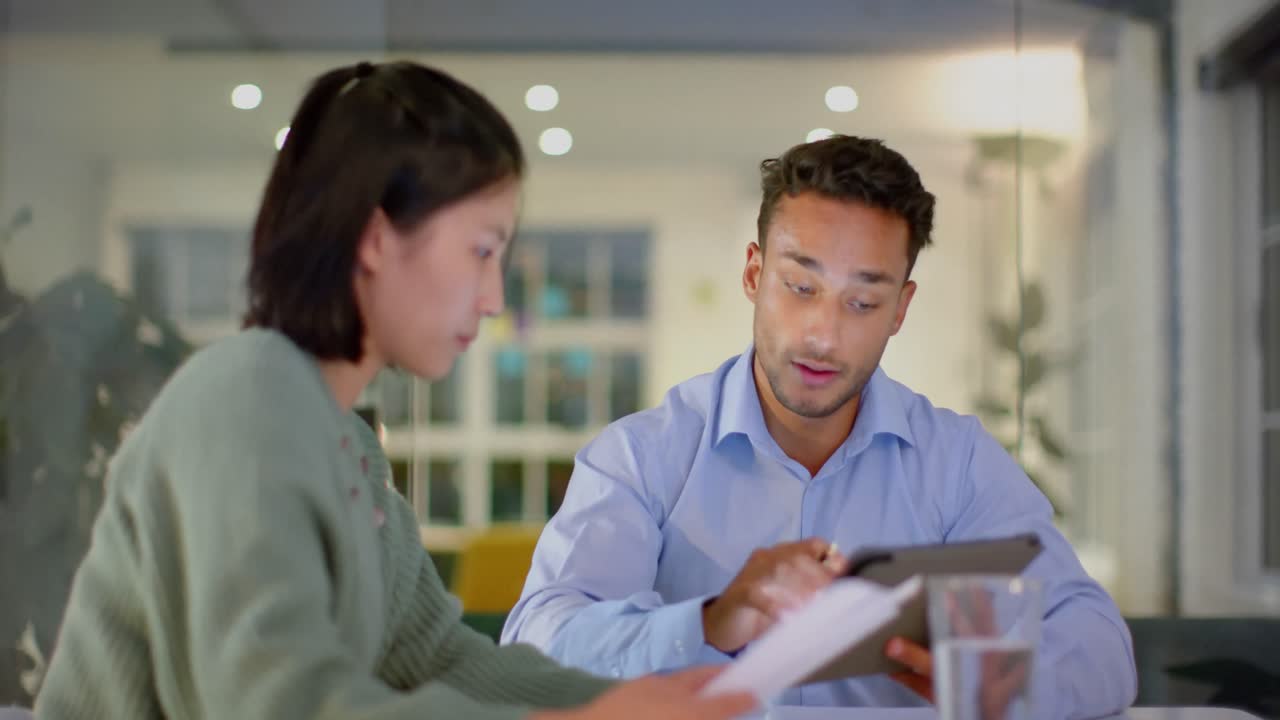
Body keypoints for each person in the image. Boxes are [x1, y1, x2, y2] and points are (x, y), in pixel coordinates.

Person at [33, 61, 756, 720]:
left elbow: (437, 661)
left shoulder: (343, 439)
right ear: (377, 238)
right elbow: (279, 702)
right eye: (481, 250)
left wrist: (630, 701)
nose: (494, 296)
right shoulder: (244, 399)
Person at [501, 135, 1138, 718]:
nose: (823, 336)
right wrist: (711, 623)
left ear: (900, 310)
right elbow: (538, 643)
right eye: (800, 287)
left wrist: (1001, 688)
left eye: (861, 303)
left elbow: (1099, 642)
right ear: (753, 274)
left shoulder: (959, 464)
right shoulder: (642, 457)